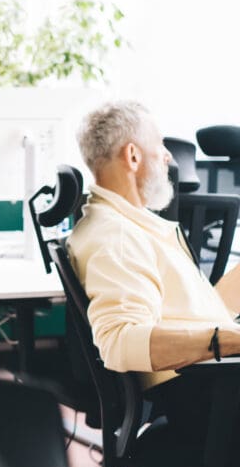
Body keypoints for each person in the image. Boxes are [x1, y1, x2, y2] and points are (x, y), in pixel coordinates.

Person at [69, 100, 240, 444]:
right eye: (159, 145)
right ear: (132, 156)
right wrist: (232, 340)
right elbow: (120, 341)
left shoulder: (128, 223)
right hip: (206, 399)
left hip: (212, 383)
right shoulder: (114, 236)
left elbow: (187, 314)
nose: (168, 157)